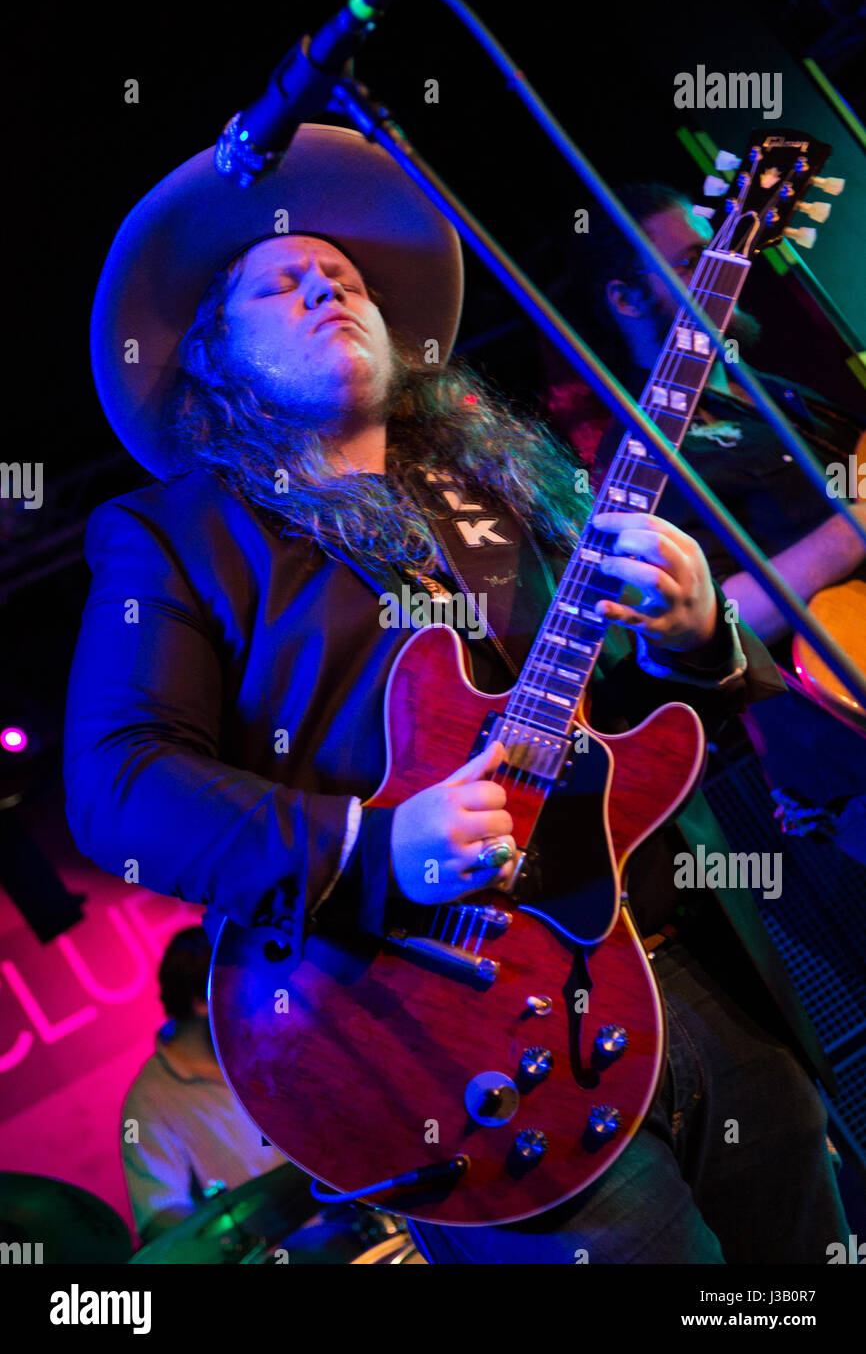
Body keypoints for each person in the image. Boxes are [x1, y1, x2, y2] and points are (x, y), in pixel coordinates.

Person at [65, 123, 850, 1263]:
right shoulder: (176, 538)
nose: (325, 289)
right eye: (278, 285)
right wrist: (380, 850)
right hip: (449, 1034)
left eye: (342, 277)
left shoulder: (488, 477)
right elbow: (114, 785)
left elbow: (622, 717)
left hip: (688, 964)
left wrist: (694, 633)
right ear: (213, 355)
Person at [543, 181, 866, 857]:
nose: (727, 271)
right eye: (694, 261)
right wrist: (856, 524)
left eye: (721, 250)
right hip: (844, 751)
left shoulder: (768, 391)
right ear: (627, 300)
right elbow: (721, 615)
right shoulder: (639, 457)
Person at [121, 927, 286, 1245]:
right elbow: (160, 1216)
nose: (257, 1005)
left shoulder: (273, 1043)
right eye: (243, 994)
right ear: (201, 1001)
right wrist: (232, 1231)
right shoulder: (149, 1102)